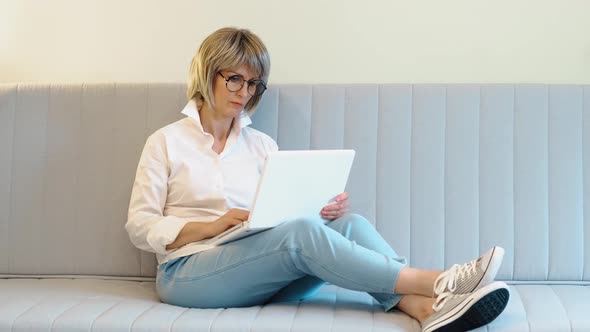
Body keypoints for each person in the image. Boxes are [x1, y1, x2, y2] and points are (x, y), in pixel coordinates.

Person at [125, 27, 509, 332]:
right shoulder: (166, 142)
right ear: (208, 73)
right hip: (188, 275)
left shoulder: (261, 145)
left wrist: (323, 210)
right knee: (299, 236)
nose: (245, 92)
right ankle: (441, 281)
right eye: (234, 80)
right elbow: (140, 226)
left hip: (258, 270)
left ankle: (426, 311)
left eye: (254, 83)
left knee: (350, 223)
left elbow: (280, 219)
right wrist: (211, 226)